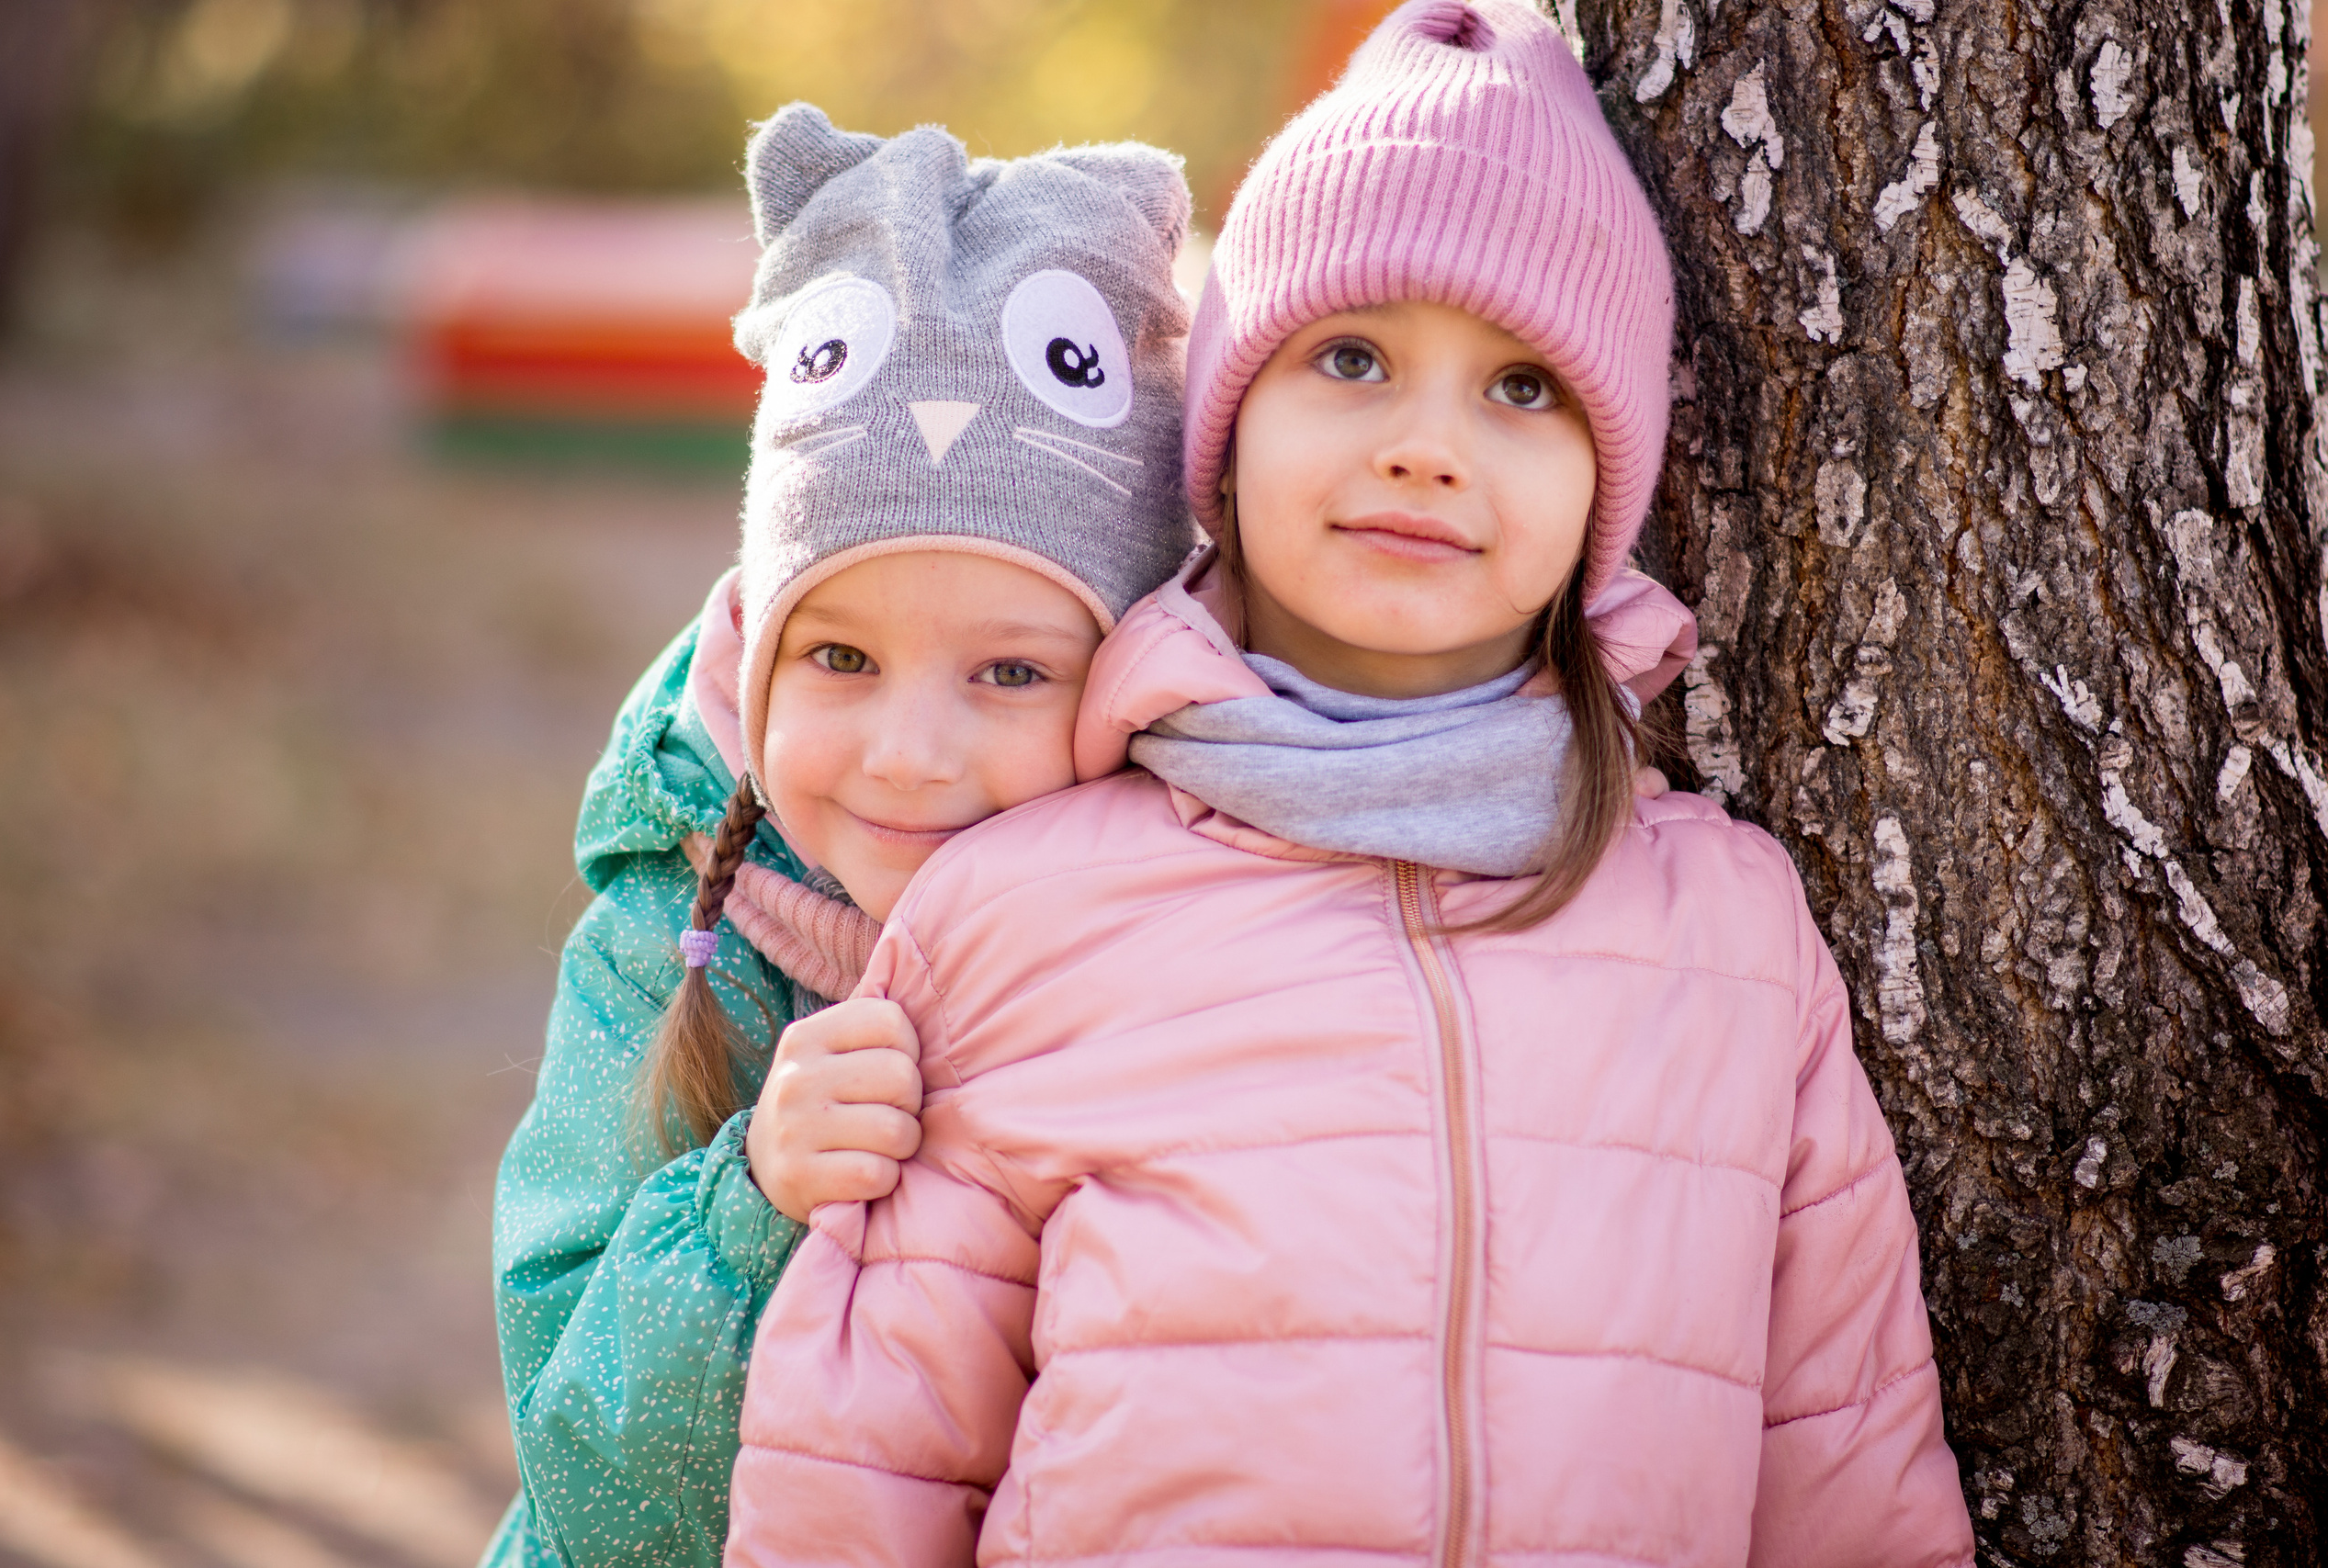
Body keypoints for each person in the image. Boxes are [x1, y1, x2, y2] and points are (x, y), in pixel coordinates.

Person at [726, 4, 1977, 1564]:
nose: (1425, 447)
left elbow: (1844, 1454)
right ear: (1227, 427)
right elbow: (865, 1466)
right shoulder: (1016, 908)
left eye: (1524, 388)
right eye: (1353, 357)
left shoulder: (1730, 932)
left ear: (1614, 474)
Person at [478, 103, 1200, 1568]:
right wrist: (753, 1209)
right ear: (752, 654)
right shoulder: (672, 946)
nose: (909, 755)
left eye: (1010, 672)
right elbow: (584, 1479)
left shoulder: (1186, 949)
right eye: (842, 661)